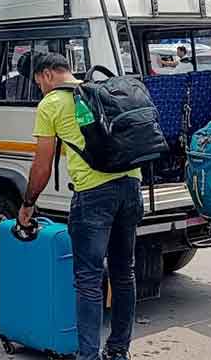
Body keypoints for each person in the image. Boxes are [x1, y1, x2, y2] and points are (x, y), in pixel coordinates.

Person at [17, 52, 143, 360]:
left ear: (46, 74)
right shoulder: (100, 89)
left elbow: (42, 166)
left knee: (88, 279)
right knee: (123, 272)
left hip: (94, 194)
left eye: (37, 81)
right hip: (131, 185)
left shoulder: (52, 104)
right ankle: (118, 351)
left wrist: (27, 204)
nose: (39, 88)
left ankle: (88, 355)